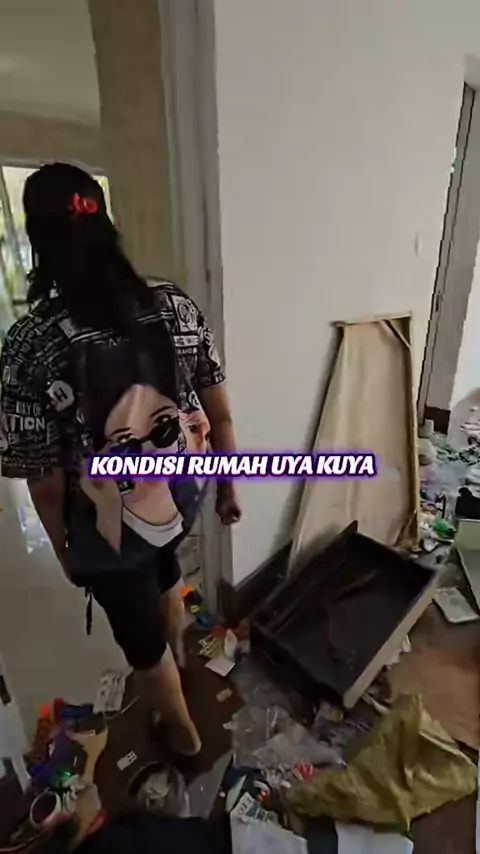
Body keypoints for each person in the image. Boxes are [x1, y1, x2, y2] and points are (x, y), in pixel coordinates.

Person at [0, 162, 241, 758]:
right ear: (106, 226)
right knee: (164, 562)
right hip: (180, 495)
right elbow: (220, 412)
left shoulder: (31, 343)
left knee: (138, 637)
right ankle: (181, 652)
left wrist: (63, 549)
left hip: (107, 525)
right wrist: (229, 485)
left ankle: (183, 735)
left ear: (39, 241)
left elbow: (44, 480)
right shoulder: (174, 305)